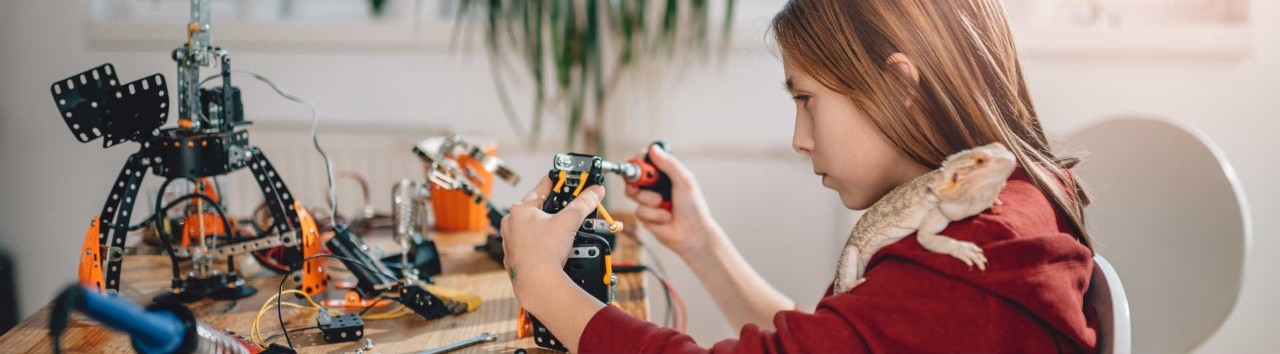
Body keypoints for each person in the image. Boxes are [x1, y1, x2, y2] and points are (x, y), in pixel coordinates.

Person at [498, 0, 1098, 352]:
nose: (798, 138)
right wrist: (701, 244)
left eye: (806, 99)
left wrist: (543, 285)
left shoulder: (975, 258)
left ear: (899, 86)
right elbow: (838, 342)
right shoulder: (1006, 208)